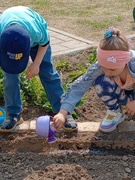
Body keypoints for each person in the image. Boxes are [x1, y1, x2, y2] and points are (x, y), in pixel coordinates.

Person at [0, 6, 77, 132]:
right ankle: (14, 114)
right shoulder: (2, 34)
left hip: (37, 41)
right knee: (9, 76)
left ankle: (62, 112)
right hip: (9, 40)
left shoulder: (36, 32)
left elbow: (44, 43)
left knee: (47, 72)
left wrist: (36, 64)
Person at [53, 26, 135, 133]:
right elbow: (79, 86)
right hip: (124, 95)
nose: (108, 73)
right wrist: (62, 113)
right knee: (102, 82)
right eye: (104, 68)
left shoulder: (133, 63)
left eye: (112, 70)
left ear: (125, 62)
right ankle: (115, 112)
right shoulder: (99, 67)